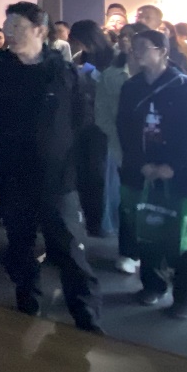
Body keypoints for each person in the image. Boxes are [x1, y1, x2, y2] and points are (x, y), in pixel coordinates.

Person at [0, 2, 102, 333]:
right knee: (20, 243)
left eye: (17, 27)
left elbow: (83, 119)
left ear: (40, 31)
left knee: (69, 247)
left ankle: (85, 312)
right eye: (7, 27)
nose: (9, 34)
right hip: (15, 171)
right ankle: (27, 299)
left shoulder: (63, 71)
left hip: (57, 175)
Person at [117, 28, 187, 319]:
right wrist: (140, 163)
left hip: (180, 172)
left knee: (183, 234)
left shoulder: (184, 86)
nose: (136, 53)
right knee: (147, 227)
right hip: (142, 169)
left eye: (143, 47)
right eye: (134, 48)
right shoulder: (131, 87)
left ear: (163, 51)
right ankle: (152, 285)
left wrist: (173, 165)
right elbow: (124, 128)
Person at [95, 23, 146, 272]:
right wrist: (118, 140)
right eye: (123, 36)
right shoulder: (111, 74)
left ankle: (159, 250)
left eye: (132, 36)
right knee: (128, 200)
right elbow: (102, 114)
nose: (126, 40)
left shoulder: (162, 73)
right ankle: (129, 251)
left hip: (156, 149)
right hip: (121, 146)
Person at [68, 21, 115, 235]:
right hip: (81, 120)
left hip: (102, 122)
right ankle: (88, 218)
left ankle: (100, 220)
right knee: (82, 171)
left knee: (98, 171)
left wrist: (93, 74)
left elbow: (112, 85)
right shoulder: (80, 57)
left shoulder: (112, 57)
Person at [135, 4, 187, 74]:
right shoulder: (126, 44)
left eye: (147, 18)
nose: (141, 20)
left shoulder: (175, 56)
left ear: (158, 23)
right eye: (138, 17)